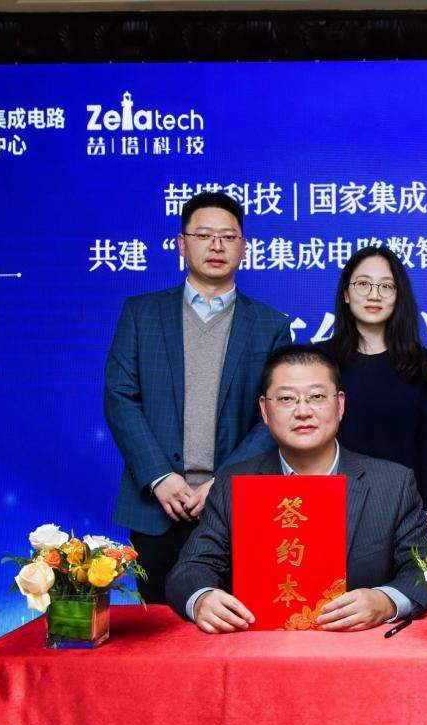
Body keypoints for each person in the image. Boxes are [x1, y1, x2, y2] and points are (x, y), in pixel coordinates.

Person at [166, 345, 427, 633]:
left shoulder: (393, 483)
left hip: (359, 649)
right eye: (286, 399)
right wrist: (202, 598)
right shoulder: (232, 483)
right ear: (264, 410)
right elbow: (190, 569)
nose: (303, 411)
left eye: (317, 397)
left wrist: (385, 601)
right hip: (260, 648)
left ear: (340, 405)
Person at [104, 191, 291, 604]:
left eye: (228, 236)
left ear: (244, 246)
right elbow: (120, 398)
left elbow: (275, 414)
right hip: (156, 505)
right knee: (159, 629)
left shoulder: (270, 325)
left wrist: (223, 483)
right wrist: (159, 476)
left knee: (238, 623)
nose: (217, 246)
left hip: (235, 506)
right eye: (204, 235)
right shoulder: (141, 314)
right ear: (182, 243)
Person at [317, 246, 427, 540]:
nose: (374, 295)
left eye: (386, 286)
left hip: (401, 514)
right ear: (346, 293)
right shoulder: (319, 362)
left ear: (399, 296)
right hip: (328, 509)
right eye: (363, 284)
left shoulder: (418, 364)